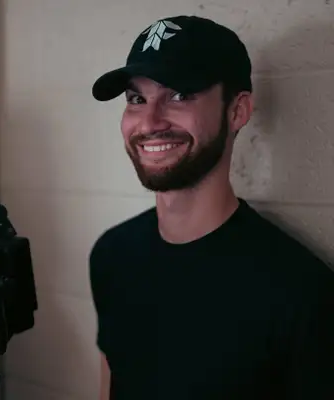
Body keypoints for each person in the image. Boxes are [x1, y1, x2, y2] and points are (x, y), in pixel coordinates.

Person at [89, 15, 334, 400]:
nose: (149, 122)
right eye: (137, 99)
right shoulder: (112, 254)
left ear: (237, 111)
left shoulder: (300, 292)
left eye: (179, 95)